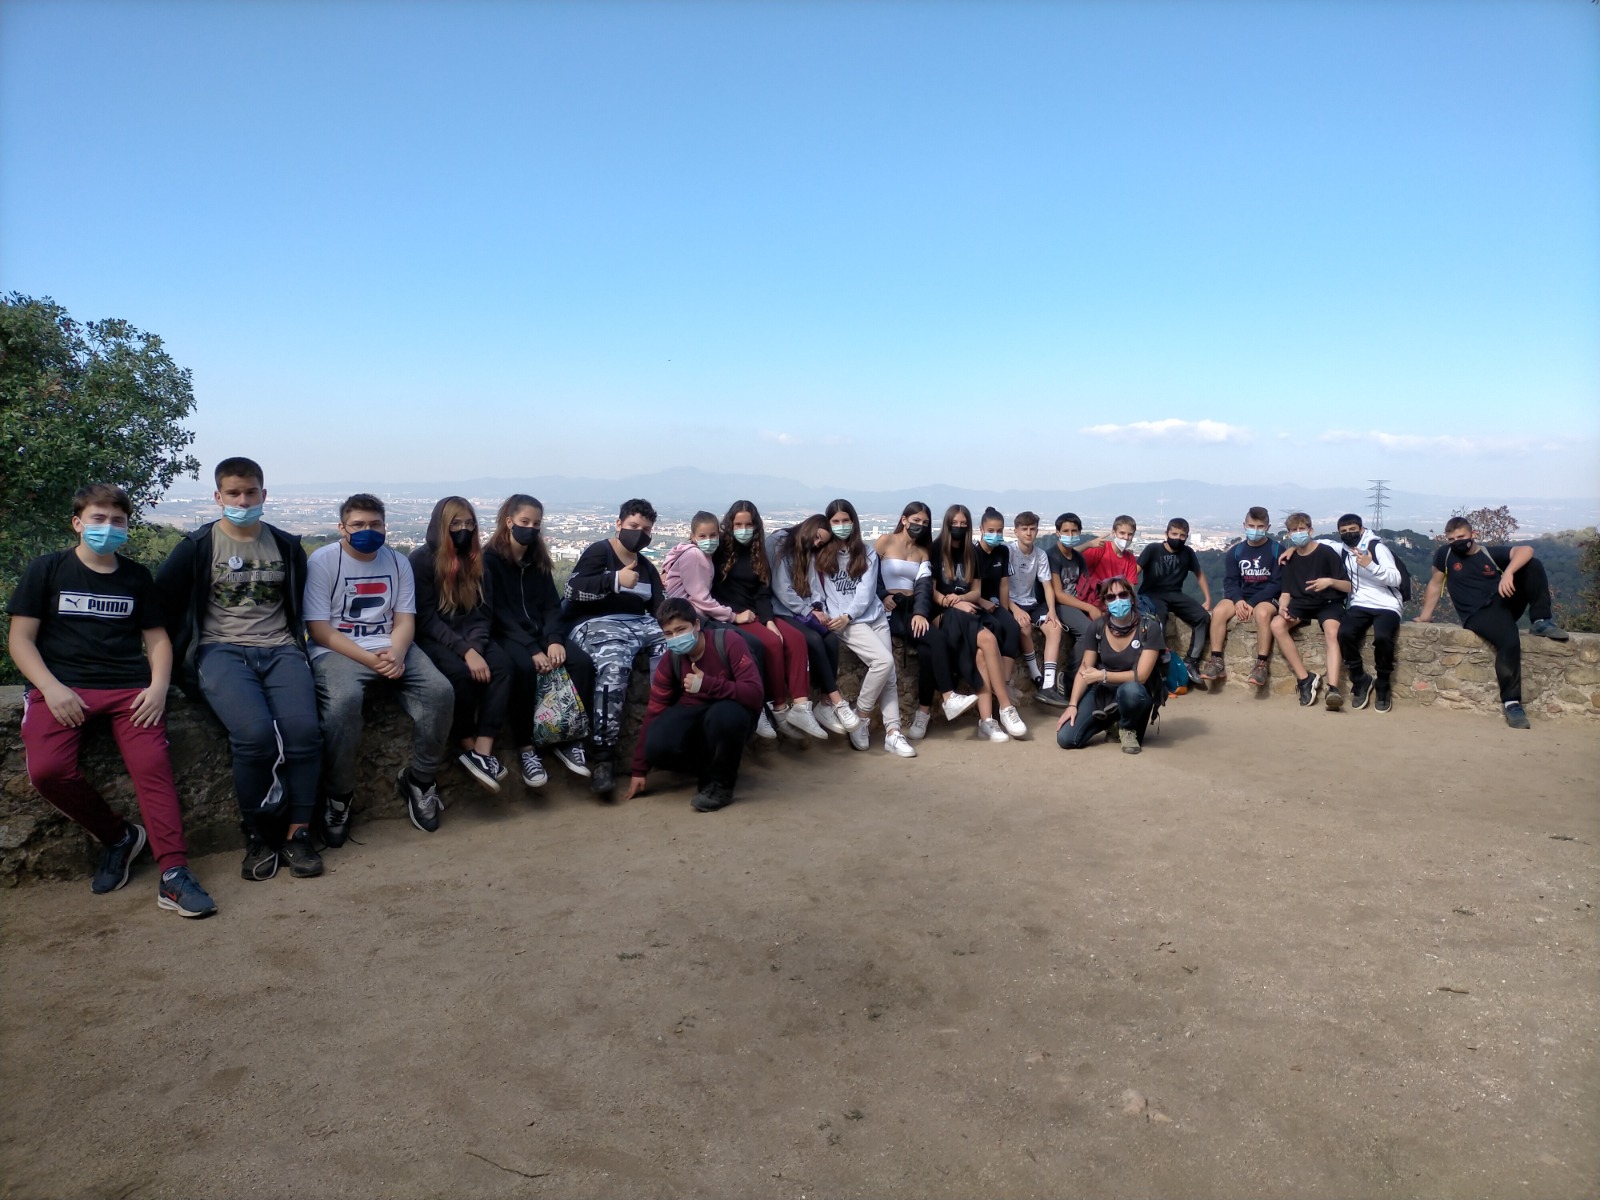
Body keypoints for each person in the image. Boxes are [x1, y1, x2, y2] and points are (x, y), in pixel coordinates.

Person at [7, 483, 217, 916]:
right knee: (48, 771)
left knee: (152, 767)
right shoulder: (47, 569)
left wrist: (158, 687)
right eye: (98, 519)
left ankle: (174, 873)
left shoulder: (136, 577)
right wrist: (50, 687)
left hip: (128, 690)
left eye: (117, 520)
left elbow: (157, 639)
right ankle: (119, 836)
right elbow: (21, 640)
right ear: (78, 523)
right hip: (62, 687)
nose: (108, 527)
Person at [155, 455, 322, 882]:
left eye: (250, 493)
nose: (243, 501)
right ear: (218, 497)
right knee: (254, 737)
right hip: (221, 650)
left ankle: (298, 832)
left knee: (304, 733)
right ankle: (259, 836)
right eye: (233, 493)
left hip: (281, 649)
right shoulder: (197, 547)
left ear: (264, 494)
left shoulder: (286, 546)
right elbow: (161, 604)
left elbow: (297, 603)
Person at [304, 492, 455, 838]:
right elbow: (319, 629)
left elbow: (404, 619)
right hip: (338, 650)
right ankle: (339, 796)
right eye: (358, 525)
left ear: (385, 526)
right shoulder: (324, 561)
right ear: (342, 527)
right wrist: (372, 660)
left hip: (391, 646)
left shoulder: (397, 562)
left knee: (439, 692)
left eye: (375, 524)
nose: (367, 531)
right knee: (343, 703)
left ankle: (420, 780)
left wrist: (397, 653)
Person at [483, 494, 596, 787]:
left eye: (536, 524)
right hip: (508, 635)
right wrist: (532, 649)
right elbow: (499, 613)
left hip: (542, 633)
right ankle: (526, 748)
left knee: (581, 664)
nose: (530, 529)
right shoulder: (490, 561)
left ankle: (569, 739)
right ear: (509, 522)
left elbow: (550, 605)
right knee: (523, 669)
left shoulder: (538, 560)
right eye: (525, 522)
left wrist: (555, 640)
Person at [1418, 516, 1570, 729]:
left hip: (1502, 601)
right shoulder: (1445, 555)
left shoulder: (1488, 554)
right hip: (1477, 613)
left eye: (1461, 537)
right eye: (1451, 539)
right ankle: (1512, 703)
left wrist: (1508, 572)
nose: (1456, 542)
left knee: (1532, 565)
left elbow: (1526, 550)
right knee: (1509, 641)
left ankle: (1541, 620)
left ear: (1473, 535)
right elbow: (1435, 584)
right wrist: (1425, 616)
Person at [562, 498, 668, 797]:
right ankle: (603, 756)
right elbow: (572, 589)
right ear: (619, 524)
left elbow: (659, 607)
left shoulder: (646, 567)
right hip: (596, 622)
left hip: (638, 623)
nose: (639, 533)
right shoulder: (599, 552)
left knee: (674, 650)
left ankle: (667, 733)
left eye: (646, 529)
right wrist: (614, 580)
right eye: (634, 526)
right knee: (615, 664)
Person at [410, 497, 512, 793]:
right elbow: (426, 619)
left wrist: (476, 648)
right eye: (455, 523)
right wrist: (465, 652)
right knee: (459, 675)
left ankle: (482, 750)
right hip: (435, 637)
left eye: (469, 523)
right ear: (442, 525)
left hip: (472, 636)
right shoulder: (421, 561)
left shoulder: (477, 561)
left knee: (503, 667)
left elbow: (483, 612)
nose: (463, 529)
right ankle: (466, 743)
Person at [623, 598, 764, 812]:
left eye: (681, 630)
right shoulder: (670, 660)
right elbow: (654, 710)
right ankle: (707, 770)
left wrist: (707, 684)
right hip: (695, 714)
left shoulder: (729, 642)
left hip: (731, 713)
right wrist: (639, 770)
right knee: (656, 743)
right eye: (669, 633)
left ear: (696, 625)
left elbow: (754, 694)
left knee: (725, 716)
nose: (676, 638)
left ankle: (721, 786)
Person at [710, 500, 829, 740]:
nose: (744, 529)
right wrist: (734, 615)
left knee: (795, 638)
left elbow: (762, 591)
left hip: (757, 612)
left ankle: (801, 707)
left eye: (748, 524)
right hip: (731, 615)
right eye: (738, 524)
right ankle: (778, 708)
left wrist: (769, 620)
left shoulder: (758, 551)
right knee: (772, 643)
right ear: (730, 525)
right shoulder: (718, 550)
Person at [665, 510, 782, 740]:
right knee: (750, 644)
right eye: (703, 536)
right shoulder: (695, 556)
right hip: (692, 618)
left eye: (713, 535)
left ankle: (758, 705)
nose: (709, 540)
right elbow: (700, 599)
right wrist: (733, 616)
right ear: (693, 536)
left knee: (749, 644)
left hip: (698, 615)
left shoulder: (702, 555)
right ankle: (756, 707)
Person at [816, 499, 916, 757]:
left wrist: (849, 614)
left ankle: (891, 731)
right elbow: (820, 592)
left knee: (889, 674)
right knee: (883, 662)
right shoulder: (822, 556)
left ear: (853, 522)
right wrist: (840, 617)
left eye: (845, 520)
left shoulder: (867, 553)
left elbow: (866, 591)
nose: (841, 525)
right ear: (829, 523)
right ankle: (861, 716)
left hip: (871, 616)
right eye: (836, 521)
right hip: (844, 622)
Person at [875, 502, 977, 739]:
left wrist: (921, 613)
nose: (919, 525)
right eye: (916, 520)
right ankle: (948, 696)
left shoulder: (923, 552)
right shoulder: (884, 541)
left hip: (913, 610)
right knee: (936, 638)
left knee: (928, 651)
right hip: (890, 610)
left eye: (924, 522)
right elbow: (870, 574)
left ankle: (923, 714)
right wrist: (883, 595)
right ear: (904, 520)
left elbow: (923, 587)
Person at [928, 505, 1022, 742]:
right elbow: (931, 592)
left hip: (967, 610)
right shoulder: (936, 549)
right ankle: (1006, 707)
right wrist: (952, 603)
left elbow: (976, 592)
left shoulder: (971, 552)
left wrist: (961, 600)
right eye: (955, 524)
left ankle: (986, 721)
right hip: (944, 614)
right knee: (988, 639)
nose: (959, 528)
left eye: (963, 524)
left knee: (981, 655)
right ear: (947, 524)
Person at [766, 515, 860, 737]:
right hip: (781, 609)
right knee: (814, 639)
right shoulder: (779, 542)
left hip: (803, 609)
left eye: (821, 542)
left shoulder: (808, 549)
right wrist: (808, 611)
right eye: (817, 537)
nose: (816, 543)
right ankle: (837, 700)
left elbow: (813, 584)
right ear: (808, 527)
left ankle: (825, 703)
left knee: (831, 638)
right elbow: (781, 588)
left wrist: (818, 607)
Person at [1054, 578, 1164, 754]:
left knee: (1131, 690)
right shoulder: (1097, 628)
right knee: (1066, 738)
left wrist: (1102, 675)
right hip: (1102, 692)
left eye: (1123, 595)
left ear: (1132, 598)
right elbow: (1084, 669)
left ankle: (1127, 728)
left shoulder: (1149, 628)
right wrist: (1072, 705)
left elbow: (1141, 676)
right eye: (1111, 597)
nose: (1118, 600)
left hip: (1135, 695)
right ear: (1105, 602)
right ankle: (1111, 722)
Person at [1270, 512, 1351, 710]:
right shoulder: (1289, 559)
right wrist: (1282, 608)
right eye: (1293, 530)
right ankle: (1305, 679)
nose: (1298, 533)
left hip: (1329, 601)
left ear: (1310, 530)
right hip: (1302, 602)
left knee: (1332, 632)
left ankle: (1333, 688)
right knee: (1277, 625)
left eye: (1301, 529)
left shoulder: (1326, 553)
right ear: (1289, 534)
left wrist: (1329, 582)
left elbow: (1348, 586)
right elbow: (1286, 592)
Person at [1326, 513, 1404, 713]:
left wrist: (1370, 565)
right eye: (1344, 531)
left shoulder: (1377, 548)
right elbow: (1319, 544)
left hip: (1387, 603)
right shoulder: (1343, 550)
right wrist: (1292, 548)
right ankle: (1359, 678)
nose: (1348, 534)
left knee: (1383, 637)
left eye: (1352, 530)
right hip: (1360, 602)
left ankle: (1383, 682)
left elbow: (1396, 579)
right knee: (1344, 634)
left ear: (1361, 529)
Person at [1198, 507, 1280, 689]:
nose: (1255, 530)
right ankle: (1216, 660)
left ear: (1268, 527)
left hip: (1267, 597)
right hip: (1241, 596)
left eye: (1260, 526)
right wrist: (1238, 600)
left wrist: (1252, 602)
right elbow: (1230, 581)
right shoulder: (1236, 552)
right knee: (1219, 611)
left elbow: (1277, 583)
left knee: (1262, 613)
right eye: (1251, 526)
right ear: (1244, 525)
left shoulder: (1276, 550)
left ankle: (1261, 664)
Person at [1037, 512, 1102, 706]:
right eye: (1066, 531)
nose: (1070, 535)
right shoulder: (1052, 556)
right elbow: (1058, 594)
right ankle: (1068, 678)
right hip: (1056, 605)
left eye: (1074, 531)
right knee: (1087, 630)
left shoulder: (1077, 557)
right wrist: (1089, 608)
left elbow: (1084, 585)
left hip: (1076, 603)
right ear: (1057, 532)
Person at [1136, 518, 1212, 683]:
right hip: (1152, 593)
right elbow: (1135, 571)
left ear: (1187, 537)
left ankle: (1191, 661)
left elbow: (1199, 574)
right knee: (1158, 621)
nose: (1178, 538)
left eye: (1182, 535)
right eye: (1174, 534)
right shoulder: (1153, 549)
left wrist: (1207, 598)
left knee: (1203, 617)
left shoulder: (1187, 553)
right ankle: (1157, 667)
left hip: (1175, 593)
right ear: (1167, 533)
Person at [974, 508, 1029, 724]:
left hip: (996, 604)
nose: (995, 535)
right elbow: (969, 588)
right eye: (991, 530)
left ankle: (1004, 684)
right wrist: (982, 602)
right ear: (981, 529)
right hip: (977, 604)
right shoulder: (973, 553)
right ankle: (997, 692)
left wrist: (1005, 611)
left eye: (999, 531)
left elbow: (1004, 584)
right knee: (995, 631)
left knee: (1012, 628)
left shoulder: (1003, 552)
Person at [1005, 511, 1060, 692]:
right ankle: (1036, 673)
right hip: (1012, 602)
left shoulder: (1040, 554)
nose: (1029, 533)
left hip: (1032, 602)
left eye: (1033, 529)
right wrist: (1015, 609)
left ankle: (1049, 682)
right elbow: (1001, 587)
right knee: (1024, 628)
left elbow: (1047, 586)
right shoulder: (1008, 552)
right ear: (1016, 531)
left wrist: (1052, 610)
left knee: (1054, 628)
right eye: (1024, 529)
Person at [1077, 515, 1140, 603]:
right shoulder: (1100, 548)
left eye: (1130, 534)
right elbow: (1072, 559)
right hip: (1094, 599)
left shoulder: (1130, 558)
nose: (1126, 537)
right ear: (1113, 533)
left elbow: (1130, 587)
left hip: (1116, 601)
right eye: (1122, 533)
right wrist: (1088, 544)